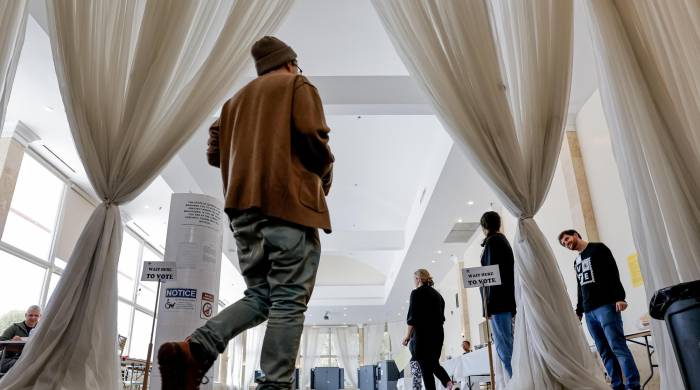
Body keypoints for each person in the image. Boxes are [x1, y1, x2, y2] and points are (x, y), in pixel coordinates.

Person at [158, 36, 334, 390]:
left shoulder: (232, 104)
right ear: (289, 62)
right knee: (287, 300)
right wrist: (325, 173)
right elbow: (313, 137)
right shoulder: (297, 84)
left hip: (243, 215)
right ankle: (275, 385)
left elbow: (213, 153)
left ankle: (195, 348)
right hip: (289, 208)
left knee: (260, 297)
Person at [558, 230, 641, 390]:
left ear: (576, 234)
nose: (567, 244)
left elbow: (612, 272)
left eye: (567, 239)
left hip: (606, 307)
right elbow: (580, 287)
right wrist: (579, 311)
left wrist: (620, 297)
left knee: (618, 347)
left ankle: (633, 386)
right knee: (604, 352)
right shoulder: (576, 261)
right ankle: (617, 386)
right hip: (589, 313)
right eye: (564, 244)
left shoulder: (598, 249)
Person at [402, 269, 454, 390]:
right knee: (433, 362)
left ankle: (447, 382)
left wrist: (407, 337)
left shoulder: (416, 293)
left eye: (414, 279)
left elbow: (412, 319)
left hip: (422, 335)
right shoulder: (438, 295)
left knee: (426, 367)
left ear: (418, 279)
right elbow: (441, 317)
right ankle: (447, 382)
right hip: (438, 334)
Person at [479, 211, 515, 378]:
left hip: (498, 302)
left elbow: (491, 276)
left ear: (484, 227)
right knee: (506, 344)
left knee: (504, 347)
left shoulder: (493, 242)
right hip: (504, 300)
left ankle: (517, 381)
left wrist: (488, 305)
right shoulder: (500, 240)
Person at [0, 305, 41, 374]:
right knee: (23, 365)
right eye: (30, 315)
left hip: (31, 359)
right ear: (26, 315)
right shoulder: (15, 327)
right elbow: (1, 341)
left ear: (40, 316)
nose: (33, 318)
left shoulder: (42, 330)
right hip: (11, 359)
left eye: (36, 315)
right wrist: (11, 341)